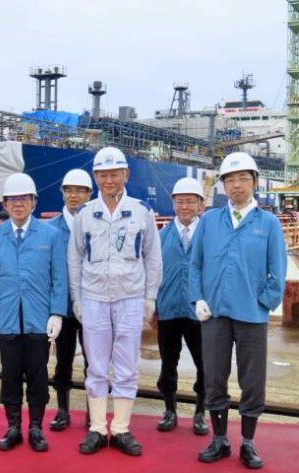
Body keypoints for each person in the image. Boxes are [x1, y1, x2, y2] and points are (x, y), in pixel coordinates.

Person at [190, 152, 286, 469]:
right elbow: (195, 264)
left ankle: (247, 442)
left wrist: (263, 303)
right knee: (214, 377)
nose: (236, 185)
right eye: (230, 180)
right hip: (214, 314)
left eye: (243, 178)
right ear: (223, 185)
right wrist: (197, 298)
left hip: (252, 316)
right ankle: (219, 439)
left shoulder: (268, 224)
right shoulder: (210, 221)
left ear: (254, 182)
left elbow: (277, 272)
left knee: (252, 380)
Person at [68, 146, 162, 456]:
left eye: (114, 174)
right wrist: (77, 298)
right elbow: (74, 258)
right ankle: (97, 428)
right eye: (103, 175)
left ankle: (120, 428)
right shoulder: (85, 214)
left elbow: (153, 256)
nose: (109, 180)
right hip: (94, 299)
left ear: (126, 175)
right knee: (96, 366)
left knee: (126, 366)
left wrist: (150, 297)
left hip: (130, 299)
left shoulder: (142, 212)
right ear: (95, 177)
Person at [0, 172, 68, 453]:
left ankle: (36, 427)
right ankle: (14, 426)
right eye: (12, 199)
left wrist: (57, 313)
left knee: (38, 375)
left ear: (34, 202)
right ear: (4, 204)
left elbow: (59, 278)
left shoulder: (51, 235)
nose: (18, 204)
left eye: (24, 199)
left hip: (38, 319)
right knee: (10, 375)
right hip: (7, 318)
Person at [153, 177, 208, 435]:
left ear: (200, 205)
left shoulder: (209, 236)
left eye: (190, 201)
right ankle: (170, 410)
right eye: (180, 201)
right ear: (173, 203)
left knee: (205, 365)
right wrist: (153, 307)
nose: (184, 207)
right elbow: (152, 273)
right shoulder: (161, 236)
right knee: (168, 364)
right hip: (169, 310)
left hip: (200, 313)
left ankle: (200, 412)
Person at [47, 169, 92, 432]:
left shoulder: (96, 224)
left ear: (89, 194)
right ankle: (62, 410)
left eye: (79, 191)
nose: (74, 195)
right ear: (62, 193)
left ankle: (92, 411)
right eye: (69, 190)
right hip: (61, 307)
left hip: (92, 305)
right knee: (62, 360)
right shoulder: (50, 229)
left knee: (93, 363)